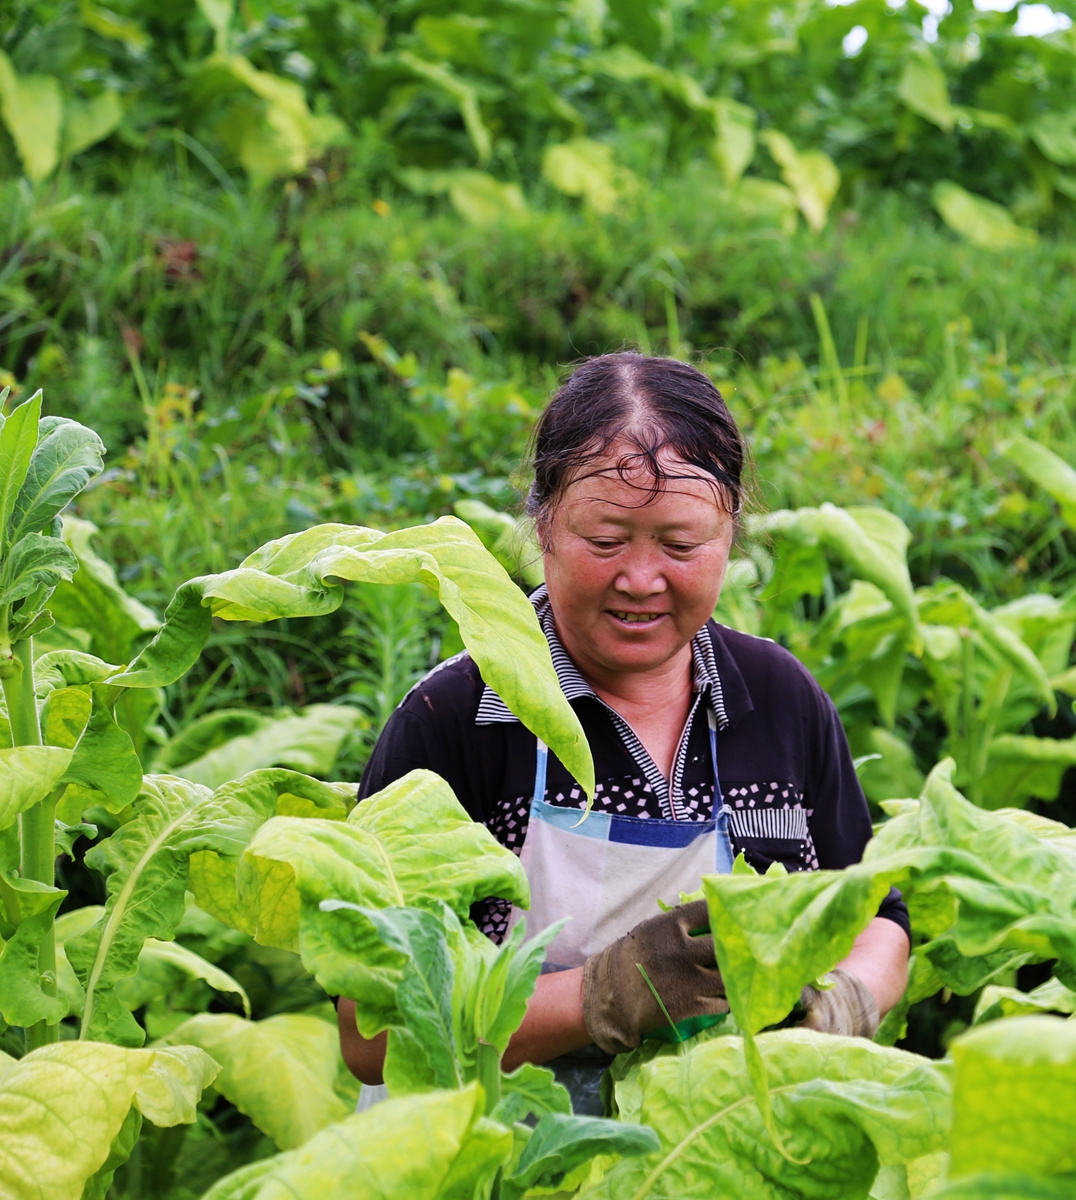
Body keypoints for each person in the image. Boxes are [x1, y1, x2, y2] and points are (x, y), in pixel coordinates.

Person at [337, 353, 911, 1113]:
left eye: (680, 546)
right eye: (607, 541)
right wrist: (605, 995)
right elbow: (371, 1035)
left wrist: (844, 1002)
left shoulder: (777, 700)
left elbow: (877, 915)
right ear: (541, 524)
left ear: (729, 531)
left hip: (714, 1145)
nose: (642, 579)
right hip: (487, 1151)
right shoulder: (461, 719)